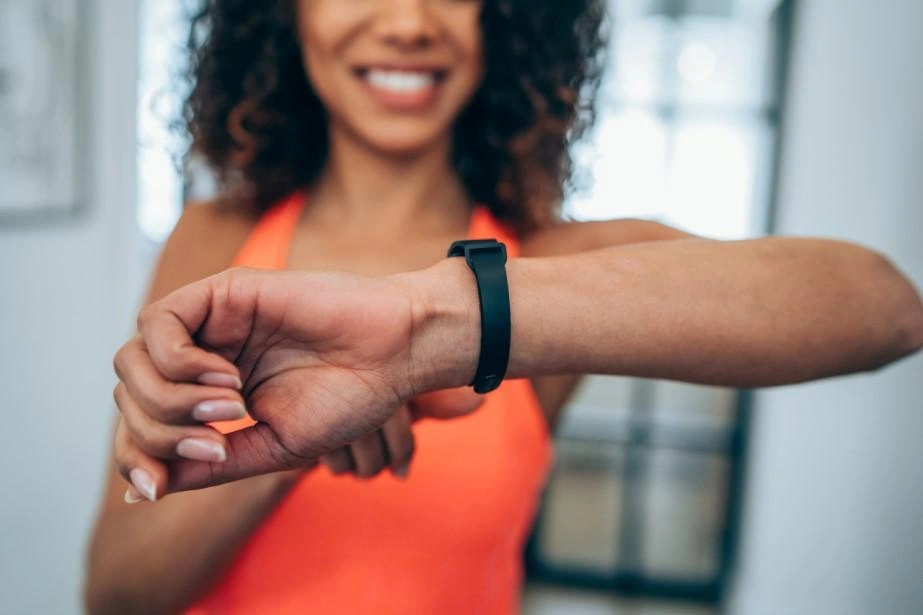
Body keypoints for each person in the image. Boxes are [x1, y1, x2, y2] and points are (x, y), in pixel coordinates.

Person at [85, 1, 923, 613]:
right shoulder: (213, 241)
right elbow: (116, 592)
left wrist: (440, 326)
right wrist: (290, 428)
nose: (409, 21)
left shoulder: (556, 266)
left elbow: (883, 307)